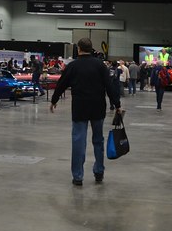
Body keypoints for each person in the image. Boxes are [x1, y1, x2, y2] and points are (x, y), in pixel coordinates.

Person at [50, 38, 122, 186]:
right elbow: (109, 86)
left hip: (79, 108)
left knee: (78, 141)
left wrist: (54, 100)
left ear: (79, 49)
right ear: (91, 49)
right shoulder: (100, 65)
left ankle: (78, 176)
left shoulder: (73, 66)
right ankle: (99, 172)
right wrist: (117, 104)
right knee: (98, 141)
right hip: (98, 108)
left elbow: (62, 83)